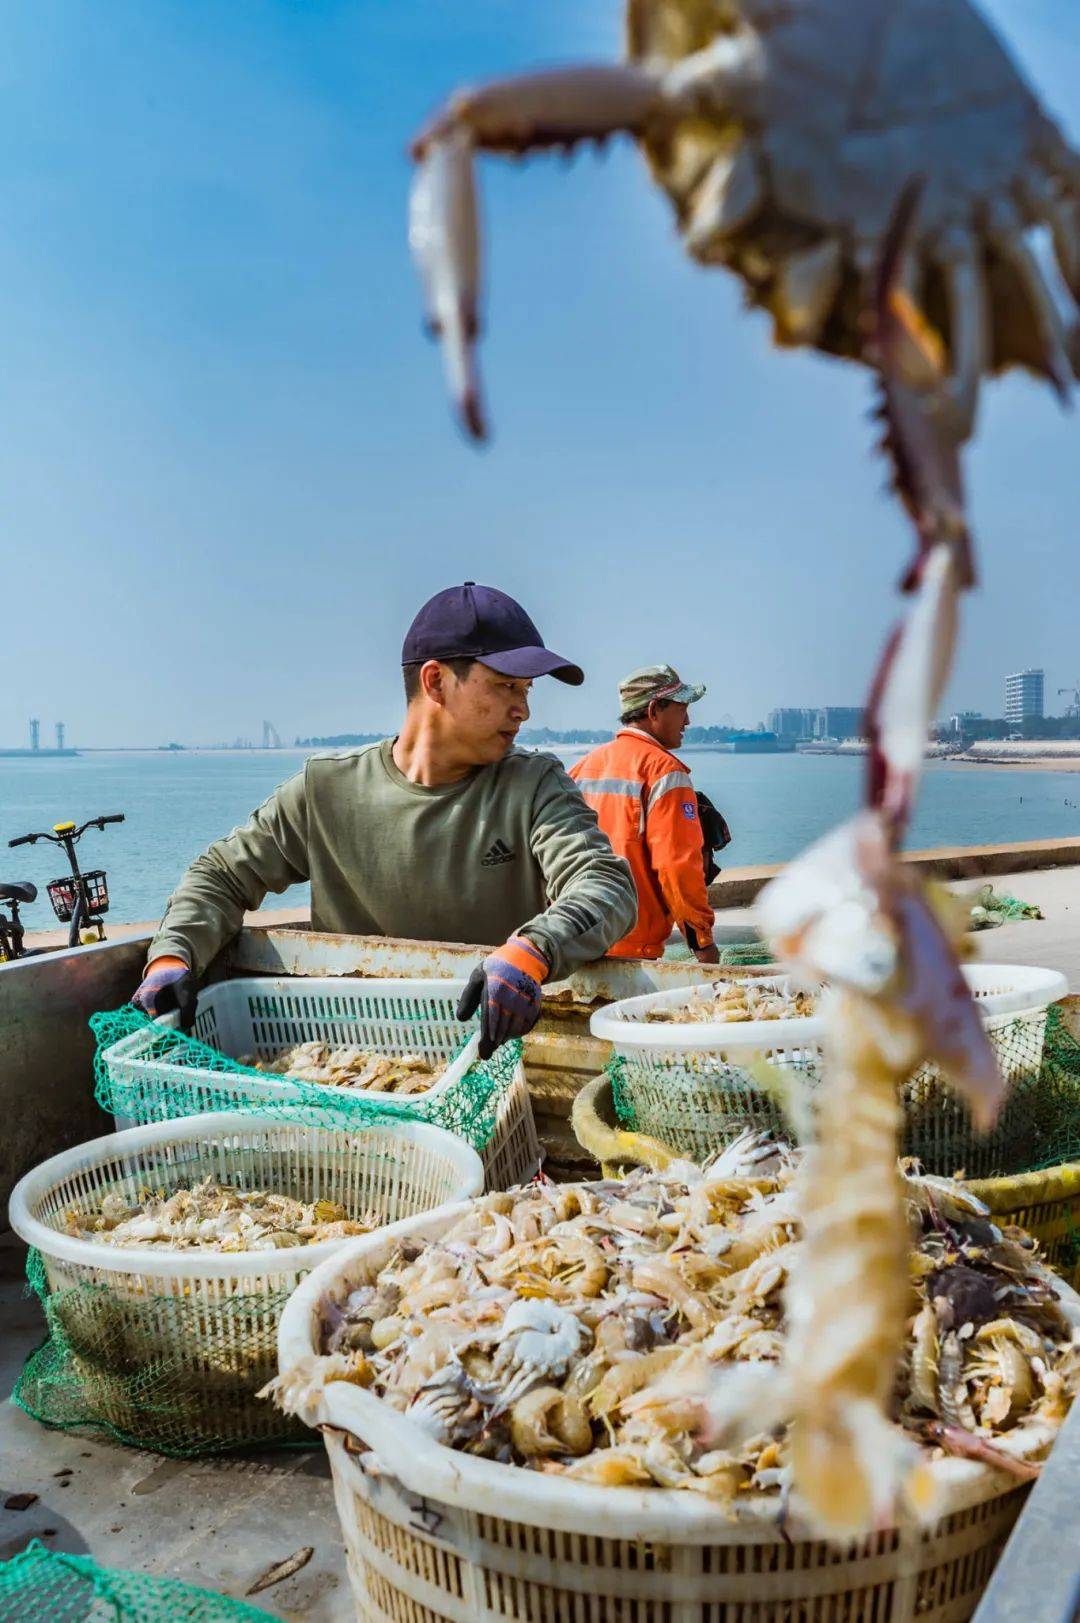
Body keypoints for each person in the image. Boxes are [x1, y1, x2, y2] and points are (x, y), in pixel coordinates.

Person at [133, 583, 636, 1056]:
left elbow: (605, 885)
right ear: (435, 681)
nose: (522, 710)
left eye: (526, 690)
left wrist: (533, 951)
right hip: (350, 1060)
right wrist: (173, 955)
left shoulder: (533, 785)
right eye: (506, 686)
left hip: (483, 1063)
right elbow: (221, 874)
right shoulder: (326, 789)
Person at [569, 664, 719, 964]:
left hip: (576, 939)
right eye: (681, 709)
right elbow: (677, 868)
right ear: (654, 711)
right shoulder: (665, 773)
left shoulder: (581, 768)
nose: (687, 720)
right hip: (634, 946)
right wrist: (701, 941)